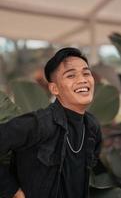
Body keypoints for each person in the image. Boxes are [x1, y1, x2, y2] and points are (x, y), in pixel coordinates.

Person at [0, 47, 102, 198]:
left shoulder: (92, 126)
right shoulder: (38, 124)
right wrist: (14, 191)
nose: (83, 80)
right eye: (71, 75)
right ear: (54, 88)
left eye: (86, 73)